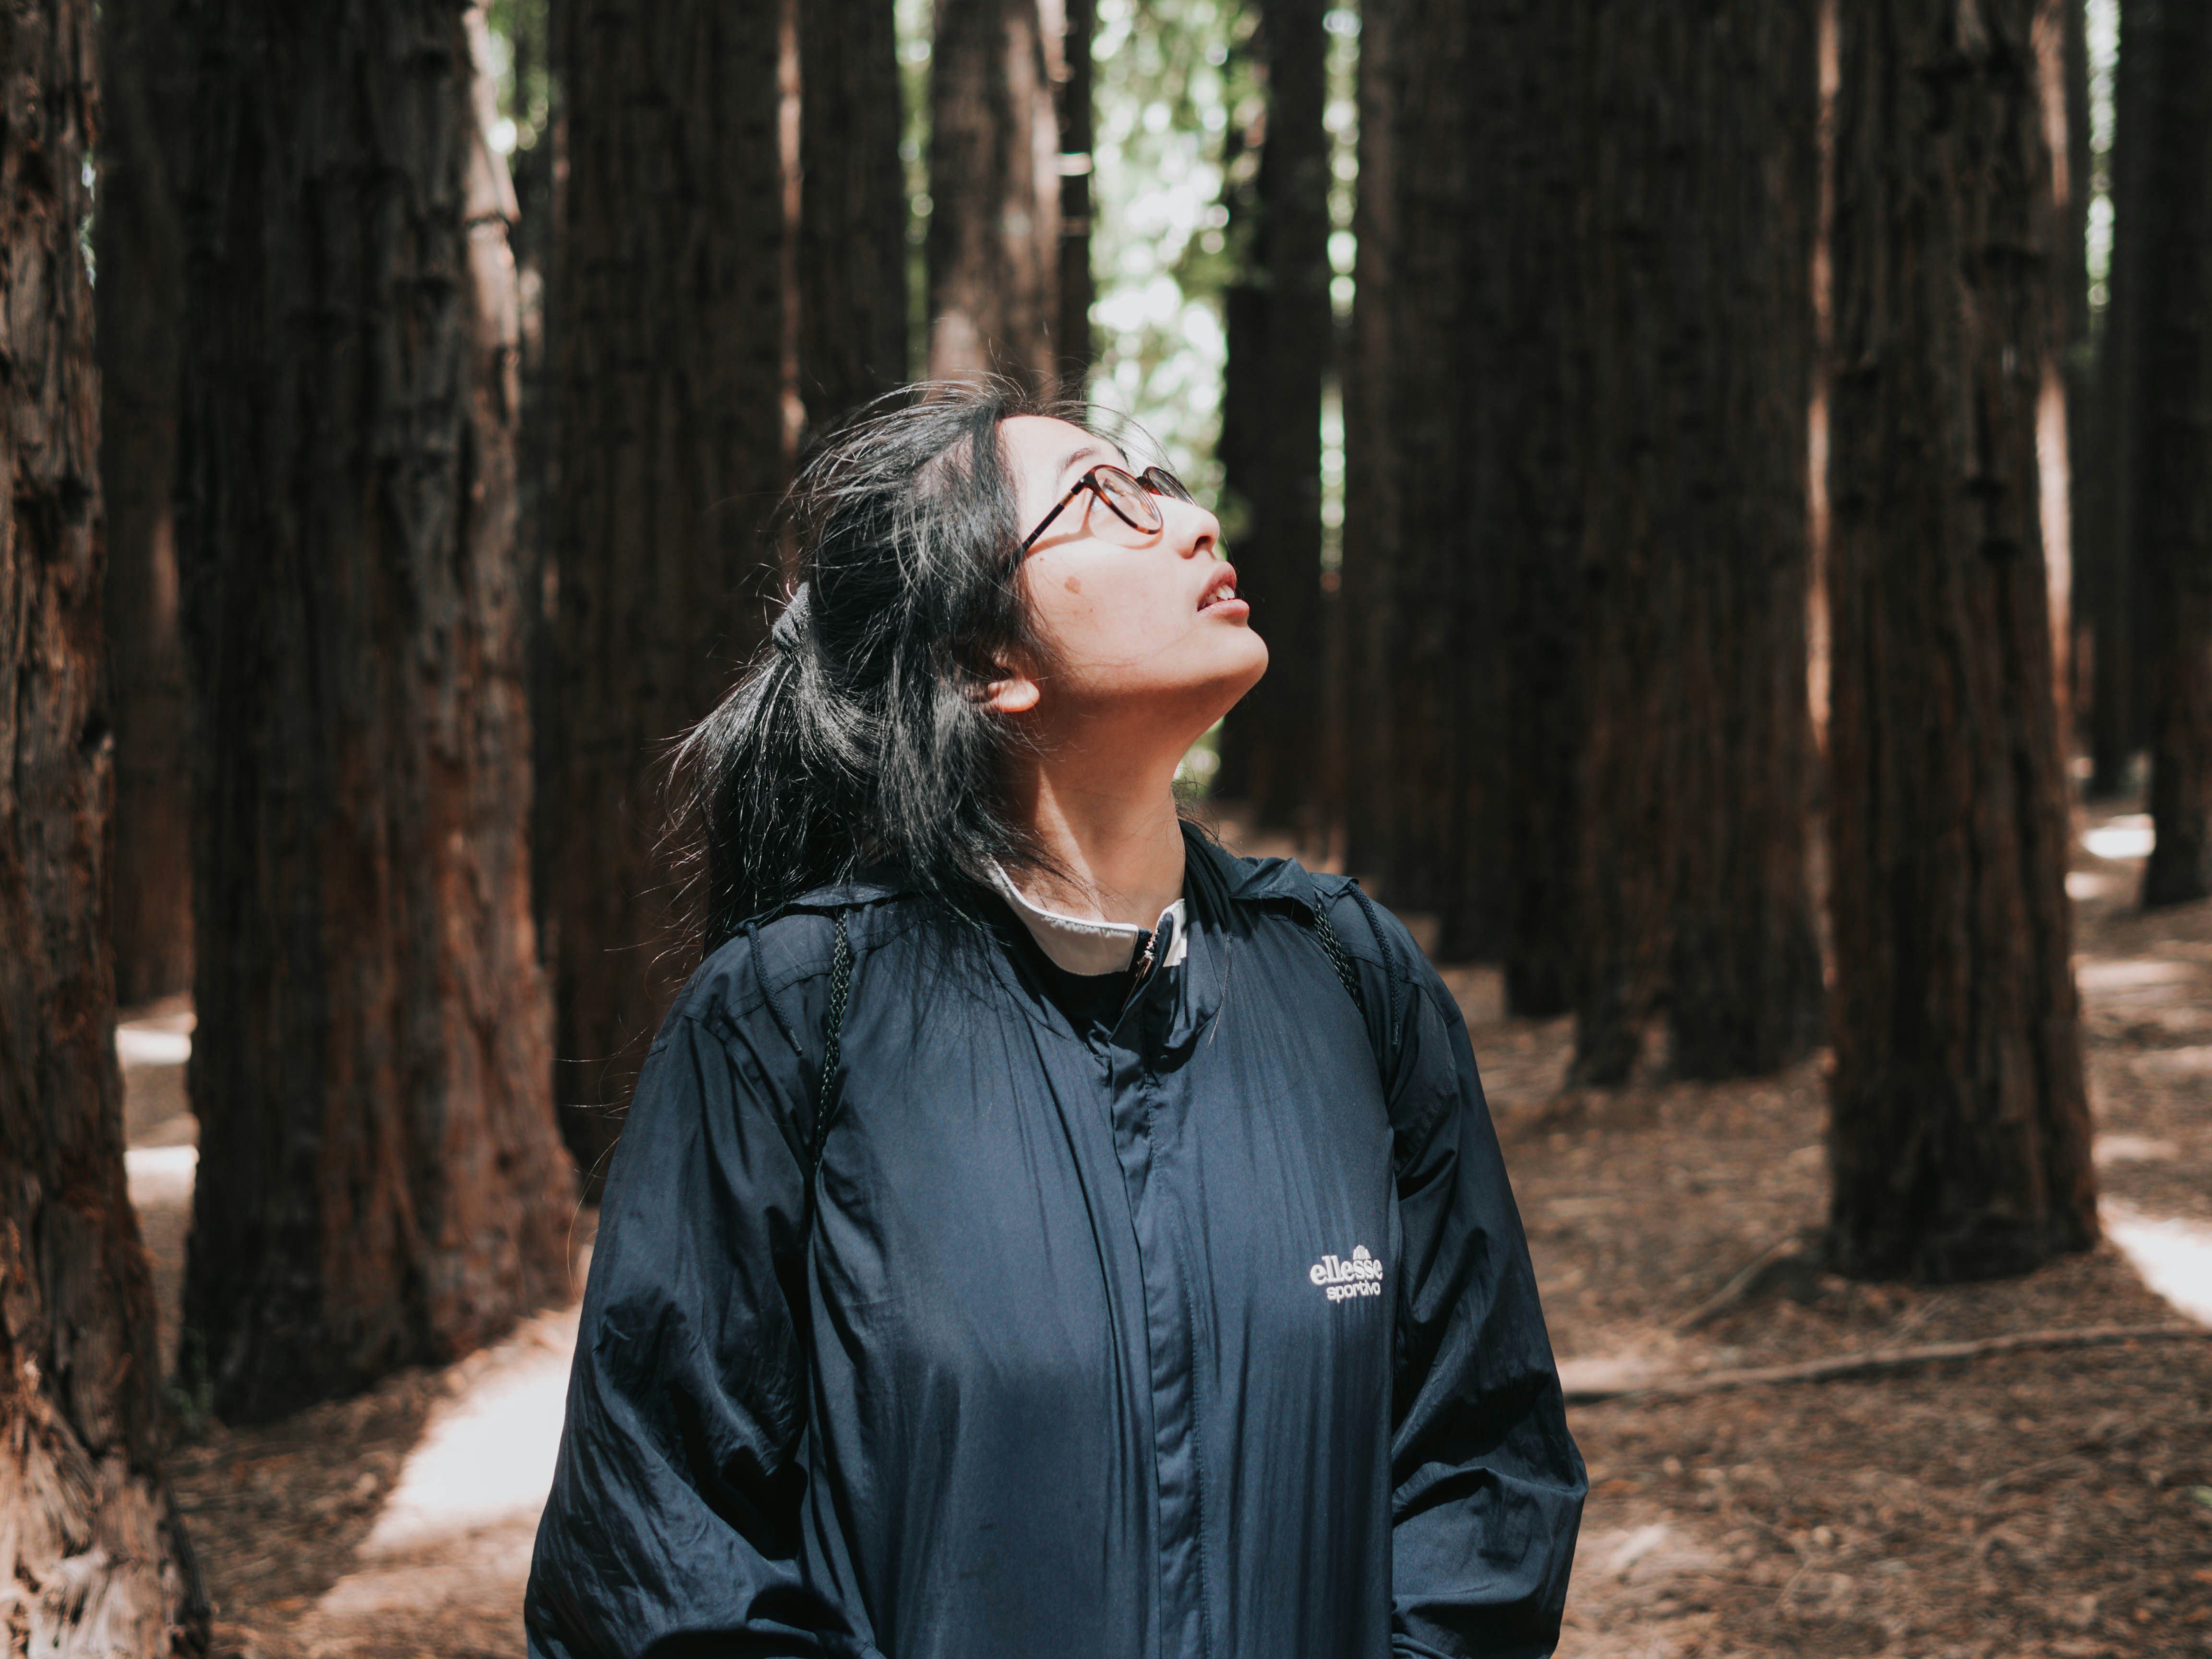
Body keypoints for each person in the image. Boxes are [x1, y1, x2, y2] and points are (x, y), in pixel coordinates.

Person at [525, 383, 1585, 1659]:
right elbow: (659, 1556)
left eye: (1160, 486)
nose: (1187, 524)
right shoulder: (793, 1020)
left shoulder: (1349, 978)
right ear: (987, 667)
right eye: (1102, 502)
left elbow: (1484, 1469)